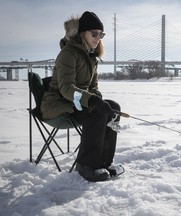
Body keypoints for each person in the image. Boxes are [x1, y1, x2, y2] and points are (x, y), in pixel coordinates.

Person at [41, 11, 124, 182]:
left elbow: (93, 87)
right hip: (57, 105)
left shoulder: (92, 58)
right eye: (94, 33)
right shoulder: (68, 53)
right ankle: (87, 165)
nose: (98, 38)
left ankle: (104, 162)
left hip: (77, 104)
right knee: (95, 110)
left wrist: (97, 96)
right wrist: (92, 100)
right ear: (82, 33)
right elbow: (66, 88)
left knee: (113, 107)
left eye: (101, 34)